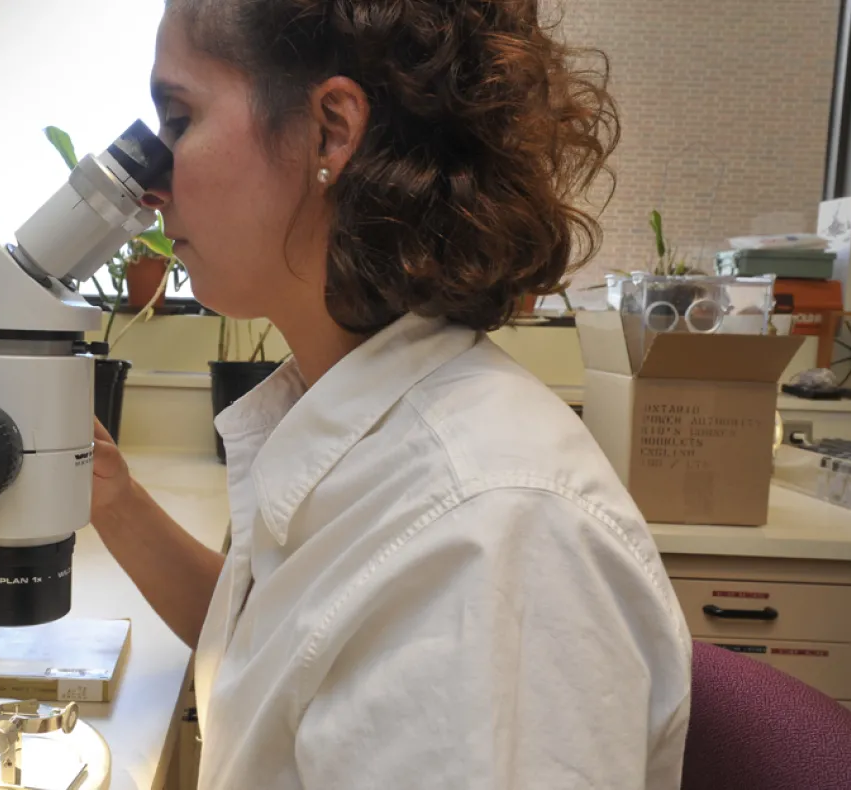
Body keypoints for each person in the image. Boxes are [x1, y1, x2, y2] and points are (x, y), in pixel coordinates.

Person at [88, 0, 692, 787]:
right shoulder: (354, 415)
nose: (153, 188)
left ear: (331, 130)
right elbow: (278, 650)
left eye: (178, 118)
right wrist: (115, 501)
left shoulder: (489, 537)